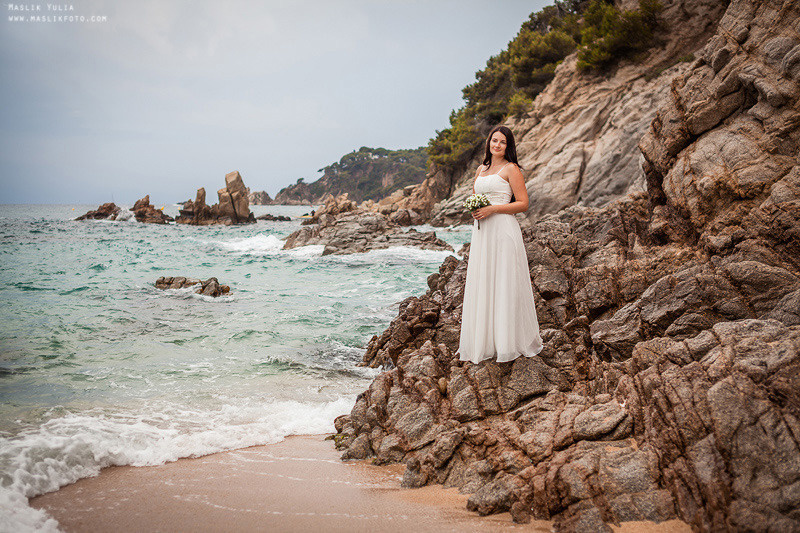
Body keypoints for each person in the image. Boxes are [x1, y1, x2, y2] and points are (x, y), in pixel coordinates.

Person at [457, 125, 543, 364]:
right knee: (484, 281)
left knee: (504, 282)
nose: (497, 145)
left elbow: (523, 203)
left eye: (502, 142)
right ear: (489, 143)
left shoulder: (511, 169)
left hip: (503, 229)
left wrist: (493, 208)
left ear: (508, 146)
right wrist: (476, 208)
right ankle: (486, 342)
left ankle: (507, 343)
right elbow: (476, 195)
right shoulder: (481, 169)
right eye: (494, 140)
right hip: (482, 233)